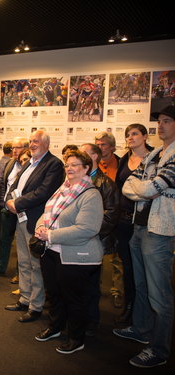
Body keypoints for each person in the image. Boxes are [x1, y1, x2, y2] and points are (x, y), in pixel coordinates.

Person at [113, 105, 175, 368]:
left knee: (159, 294)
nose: (160, 126)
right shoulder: (157, 154)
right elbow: (130, 185)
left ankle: (159, 350)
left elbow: (155, 187)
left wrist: (145, 189)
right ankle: (141, 328)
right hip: (139, 227)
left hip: (159, 231)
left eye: (167, 121)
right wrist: (145, 189)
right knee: (140, 285)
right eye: (159, 121)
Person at [34, 150, 103, 355]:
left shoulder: (91, 195)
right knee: (54, 294)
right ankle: (55, 327)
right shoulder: (62, 189)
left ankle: (76, 338)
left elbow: (87, 229)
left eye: (75, 165)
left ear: (86, 169)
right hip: (51, 251)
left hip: (76, 256)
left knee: (74, 300)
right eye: (67, 165)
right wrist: (40, 228)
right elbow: (47, 214)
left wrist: (51, 236)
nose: (70, 169)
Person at [4, 130, 64, 323]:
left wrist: (18, 203)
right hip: (21, 218)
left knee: (35, 264)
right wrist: (8, 202)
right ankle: (24, 298)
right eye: (30, 141)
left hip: (36, 221)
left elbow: (43, 192)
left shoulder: (53, 164)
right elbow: (14, 186)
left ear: (46, 143)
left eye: (36, 141)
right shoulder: (30, 162)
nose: (32, 144)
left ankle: (35, 306)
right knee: (23, 262)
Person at [114, 124, 153, 326]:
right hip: (123, 221)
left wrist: (135, 191)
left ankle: (143, 311)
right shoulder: (123, 160)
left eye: (135, 134)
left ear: (145, 136)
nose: (130, 138)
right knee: (126, 266)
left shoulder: (154, 159)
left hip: (143, 221)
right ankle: (130, 306)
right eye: (128, 135)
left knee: (143, 269)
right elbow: (121, 189)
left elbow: (150, 191)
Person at [79, 143, 120, 336]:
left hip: (94, 239)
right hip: (74, 239)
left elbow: (111, 216)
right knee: (76, 282)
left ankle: (91, 322)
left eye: (84, 153)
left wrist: (89, 232)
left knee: (92, 283)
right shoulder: (72, 181)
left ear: (94, 157)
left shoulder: (107, 184)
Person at [0, 138, 29, 280]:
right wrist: (2, 204)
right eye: (13, 148)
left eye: (18, 147)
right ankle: (0, 267)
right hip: (6, 209)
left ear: (26, 148)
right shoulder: (10, 163)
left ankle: (20, 273)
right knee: (4, 240)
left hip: (23, 210)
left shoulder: (30, 165)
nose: (14, 151)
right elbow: (3, 185)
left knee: (22, 243)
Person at [95, 131, 123, 308]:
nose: (99, 147)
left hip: (117, 217)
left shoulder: (121, 164)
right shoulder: (90, 165)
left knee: (117, 259)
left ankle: (118, 292)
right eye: (97, 144)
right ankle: (94, 291)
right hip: (96, 218)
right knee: (96, 257)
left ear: (112, 147)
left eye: (103, 144)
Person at [0, 141, 13, 241]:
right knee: (3, 215)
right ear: (11, 151)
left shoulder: (0, 161)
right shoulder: (9, 163)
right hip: (2, 192)